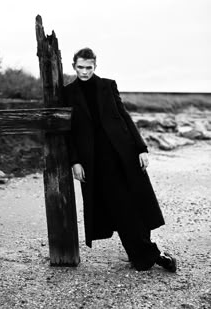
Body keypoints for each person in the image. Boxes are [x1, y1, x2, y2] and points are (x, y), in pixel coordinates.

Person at [63, 47, 176, 272]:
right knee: (121, 206)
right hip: (95, 161)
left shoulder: (108, 85)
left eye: (89, 67)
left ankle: (143, 254)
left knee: (136, 202)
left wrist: (141, 148)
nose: (84, 72)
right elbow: (69, 132)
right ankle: (151, 255)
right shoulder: (67, 93)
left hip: (123, 153)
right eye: (80, 67)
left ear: (95, 66)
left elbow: (124, 116)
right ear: (73, 66)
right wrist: (74, 161)